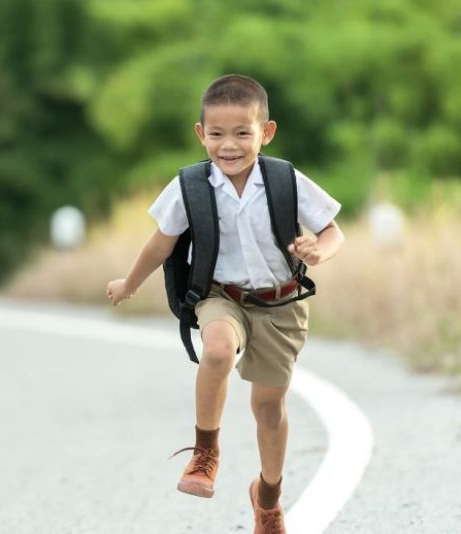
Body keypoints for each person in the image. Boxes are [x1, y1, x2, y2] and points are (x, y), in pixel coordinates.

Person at [106, 74, 344, 534]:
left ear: (266, 132)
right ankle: (205, 452)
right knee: (215, 351)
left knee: (268, 408)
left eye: (242, 133)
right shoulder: (191, 187)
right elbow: (160, 244)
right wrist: (129, 283)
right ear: (201, 134)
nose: (228, 146)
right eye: (216, 134)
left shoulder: (284, 180)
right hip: (221, 296)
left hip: (281, 304)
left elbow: (333, 230)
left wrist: (320, 249)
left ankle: (268, 496)